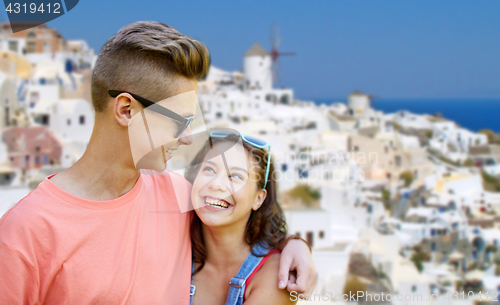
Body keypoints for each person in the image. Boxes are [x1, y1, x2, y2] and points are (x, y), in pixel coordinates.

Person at [0, 21, 316, 304]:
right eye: (180, 121)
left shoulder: (178, 196)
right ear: (126, 110)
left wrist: (296, 245)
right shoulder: (25, 233)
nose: (189, 138)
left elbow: (244, 228)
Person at [186, 131, 300, 305]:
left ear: (258, 198)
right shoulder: (172, 249)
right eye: (209, 169)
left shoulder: (275, 275)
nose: (216, 184)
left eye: (236, 176)